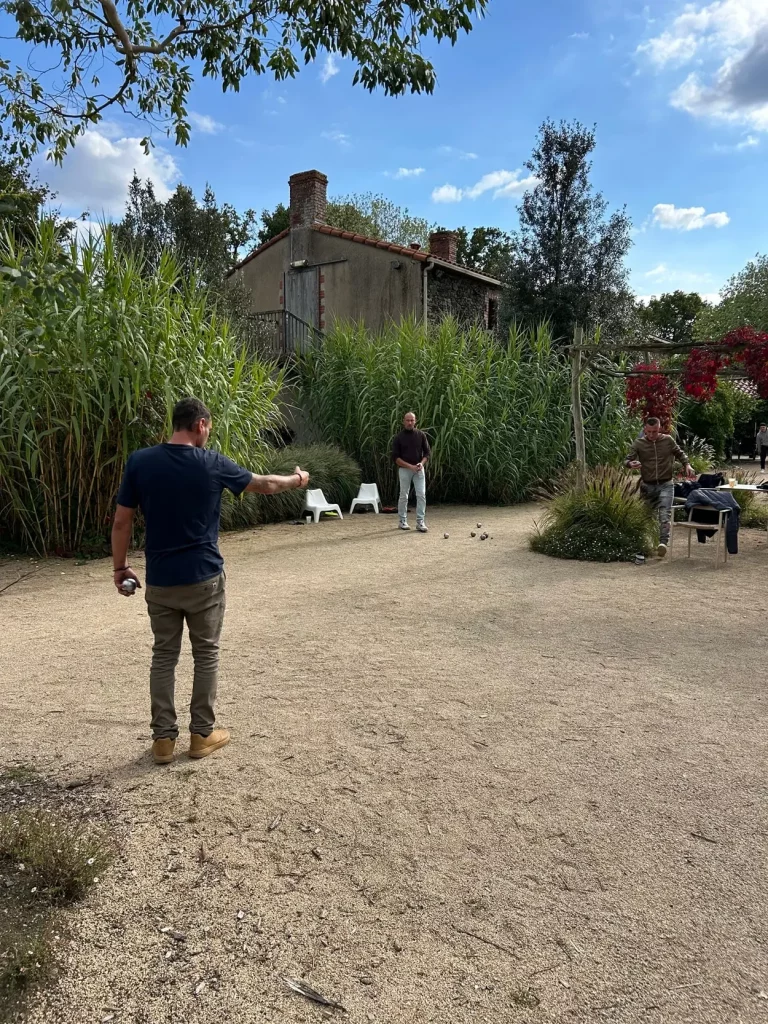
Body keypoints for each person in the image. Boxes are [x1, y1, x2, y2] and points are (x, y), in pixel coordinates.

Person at [111, 396, 309, 765]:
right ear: (200, 424)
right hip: (204, 577)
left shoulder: (140, 462)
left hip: (161, 580)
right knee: (206, 654)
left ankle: (163, 740)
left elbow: (122, 521)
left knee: (163, 657)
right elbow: (266, 484)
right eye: (209, 428)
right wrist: (298, 479)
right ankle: (201, 734)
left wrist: (120, 568)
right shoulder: (212, 463)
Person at [626, 417, 695, 558]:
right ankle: (647, 542)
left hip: (666, 484)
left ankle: (663, 543)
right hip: (647, 485)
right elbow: (627, 459)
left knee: (664, 514)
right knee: (646, 516)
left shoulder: (668, 440)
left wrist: (687, 464)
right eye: (649, 431)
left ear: (660, 429)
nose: (652, 434)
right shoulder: (639, 443)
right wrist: (629, 464)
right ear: (645, 430)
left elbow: (680, 453)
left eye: (655, 431)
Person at [392, 411, 431, 533]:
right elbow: (396, 458)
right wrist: (410, 466)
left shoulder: (421, 435)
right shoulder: (399, 437)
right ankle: (402, 521)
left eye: (412, 420)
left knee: (421, 494)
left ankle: (420, 522)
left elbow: (427, 453)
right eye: (407, 420)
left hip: (419, 469)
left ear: (415, 421)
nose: (409, 422)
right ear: (404, 421)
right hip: (404, 469)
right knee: (404, 495)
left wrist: (421, 463)